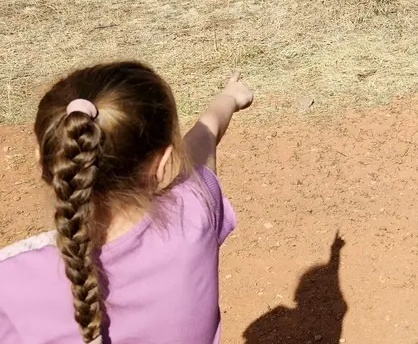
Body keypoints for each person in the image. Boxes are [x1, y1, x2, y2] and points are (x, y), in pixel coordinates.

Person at [0, 62, 253, 344]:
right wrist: (227, 99)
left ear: (44, 163)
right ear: (162, 165)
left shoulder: (9, 283)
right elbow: (202, 145)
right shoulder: (194, 218)